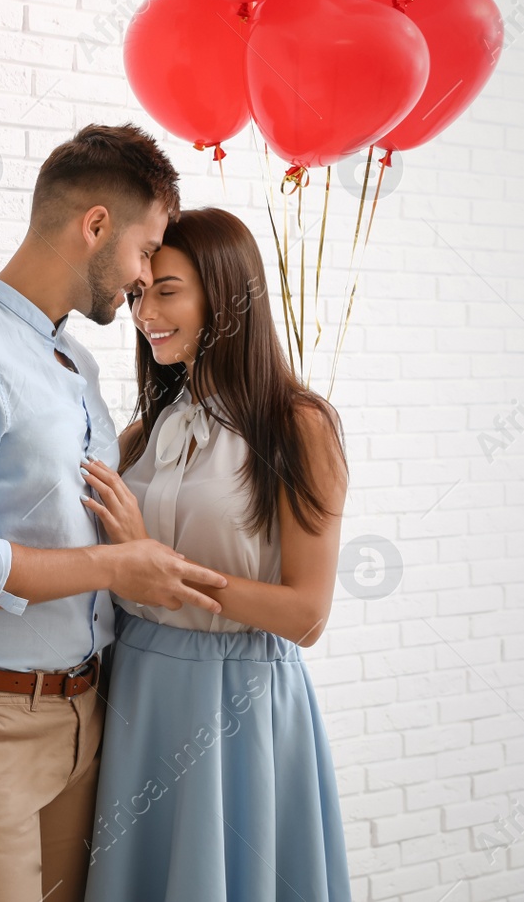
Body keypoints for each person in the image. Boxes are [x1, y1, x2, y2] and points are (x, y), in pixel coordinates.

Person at [0, 124, 232, 902]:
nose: (143, 279)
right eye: (145, 251)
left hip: (84, 714)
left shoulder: (74, 362)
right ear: (95, 225)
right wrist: (116, 565)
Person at [78, 207, 354, 902]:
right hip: (139, 689)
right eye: (140, 292)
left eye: (167, 290)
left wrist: (156, 565)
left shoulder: (298, 425)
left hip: (239, 703)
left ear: (226, 294)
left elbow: (307, 614)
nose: (146, 312)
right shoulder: (143, 433)